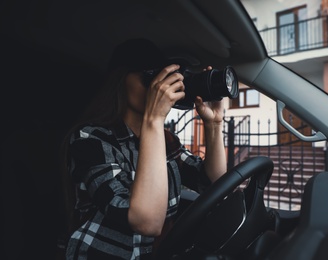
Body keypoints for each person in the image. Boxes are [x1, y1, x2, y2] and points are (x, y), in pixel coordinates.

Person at [60, 38, 227, 259]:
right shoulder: (90, 139)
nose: (156, 87)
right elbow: (146, 222)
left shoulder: (165, 140)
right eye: (149, 77)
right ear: (120, 81)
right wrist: (155, 119)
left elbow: (213, 182)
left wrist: (214, 125)